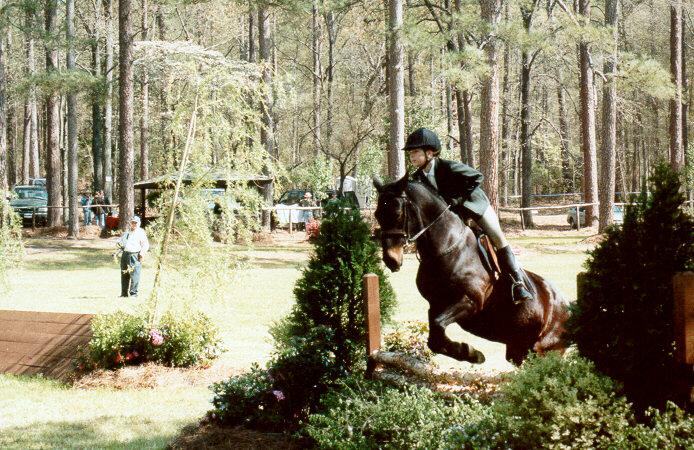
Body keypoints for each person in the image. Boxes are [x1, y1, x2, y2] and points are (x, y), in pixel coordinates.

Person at [403, 127, 532, 303]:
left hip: (475, 206)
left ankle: (518, 284)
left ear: (430, 153)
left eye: (416, 152)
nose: (412, 156)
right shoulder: (418, 178)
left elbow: (477, 177)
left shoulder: (448, 166)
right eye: (410, 153)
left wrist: (458, 198)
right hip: (454, 216)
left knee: (498, 238)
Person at [116, 216, 149, 297]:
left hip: (135, 255)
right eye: (132, 222)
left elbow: (146, 244)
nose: (133, 224)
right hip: (125, 255)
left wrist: (141, 254)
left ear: (138, 223)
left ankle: (133, 294)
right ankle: (124, 294)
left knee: (135, 275)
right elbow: (120, 241)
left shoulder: (141, 232)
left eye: (135, 223)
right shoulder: (127, 232)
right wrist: (118, 245)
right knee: (124, 274)